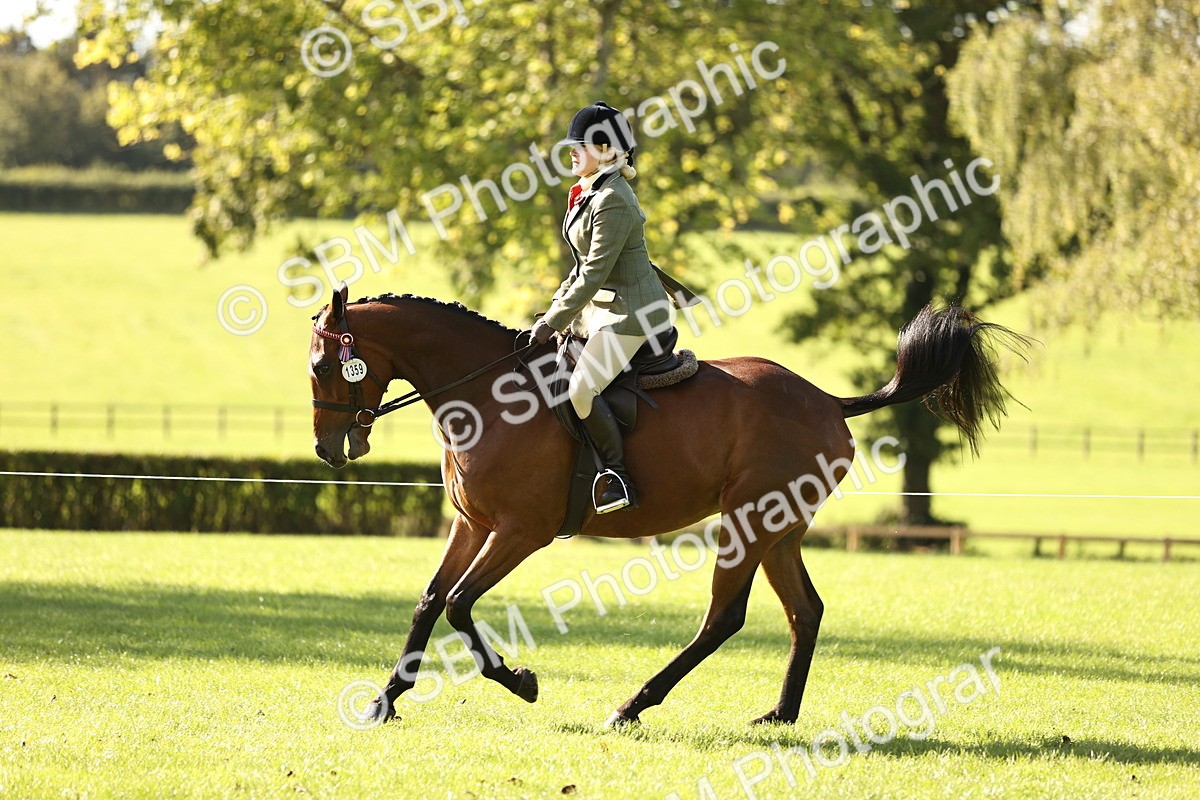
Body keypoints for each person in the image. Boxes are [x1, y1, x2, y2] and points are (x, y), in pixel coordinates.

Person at [530, 101, 676, 514]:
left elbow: (593, 274)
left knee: (581, 388)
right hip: (602, 310)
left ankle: (616, 477)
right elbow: (580, 270)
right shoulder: (590, 191)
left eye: (580, 145)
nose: (572, 152)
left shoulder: (613, 198)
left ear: (608, 150)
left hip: (632, 314)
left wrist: (554, 320)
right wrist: (552, 313)